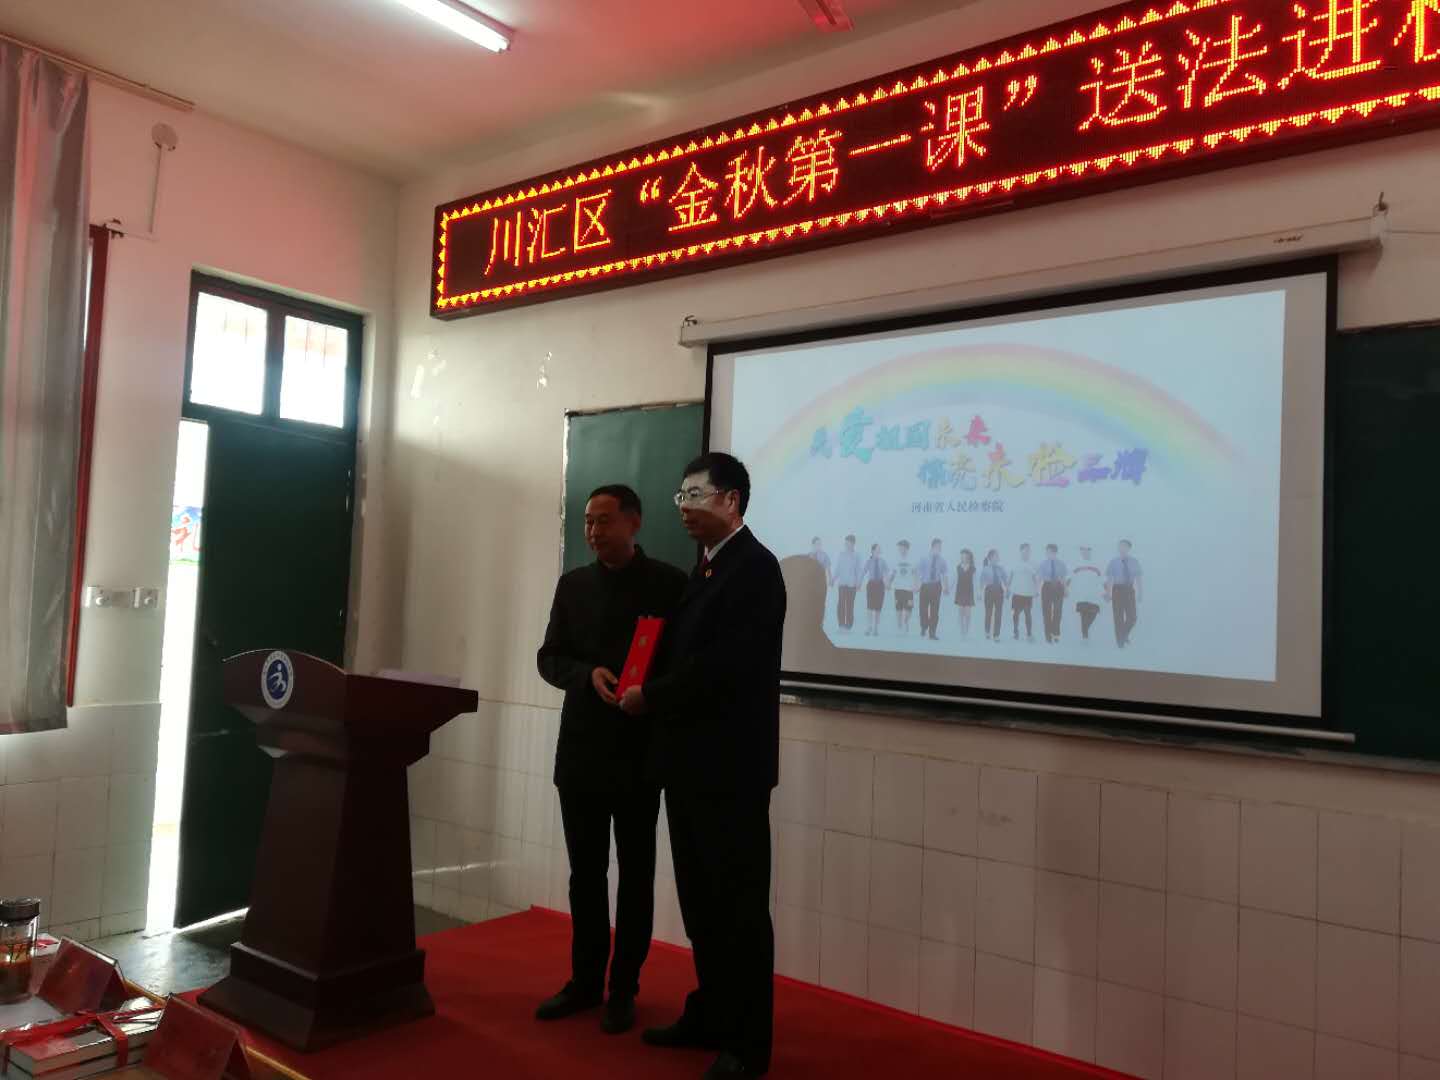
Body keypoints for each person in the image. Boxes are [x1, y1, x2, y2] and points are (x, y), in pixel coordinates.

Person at [619, 452, 785, 1080]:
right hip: (688, 767)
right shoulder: (708, 566)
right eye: (680, 496)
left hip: (731, 772)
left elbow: (722, 667)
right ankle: (711, 1014)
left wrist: (652, 695)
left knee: (738, 907)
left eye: (696, 495)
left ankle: (747, 1043)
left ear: (731, 501)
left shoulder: (756, 569)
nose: (684, 507)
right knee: (701, 905)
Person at [535, 485, 687, 1033]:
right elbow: (549, 658)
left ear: (634, 522)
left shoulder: (670, 584)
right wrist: (586, 675)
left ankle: (624, 988)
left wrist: (650, 693)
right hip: (581, 751)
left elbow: (684, 664)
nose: (594, 532)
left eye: (604, 521)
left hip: (640, 752)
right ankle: (584, 981)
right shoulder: (573, 585)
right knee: (586, 874)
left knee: (636, 874)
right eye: (587, 522)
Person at [1105, 539, 1143, 648]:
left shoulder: (1134, 562)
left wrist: (1140, 592)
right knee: (1118, 617)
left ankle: (1124, 635)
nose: (1122, 548)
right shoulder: (1113, 562)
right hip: (1117, 590)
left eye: (1124, 546)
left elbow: (1138, 578)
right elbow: (1110, 579)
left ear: (1129, 548)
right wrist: (1108, 593)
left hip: (1129, 590)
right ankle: (1120, 643)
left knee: (1132, 617)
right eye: (1120, 546)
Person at [1068, 544, 1105, 642]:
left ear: (1090, 551)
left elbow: (1102, 581)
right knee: (1083, 617)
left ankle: (1085, 633)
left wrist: (1107, 593)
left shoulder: (1097, 565)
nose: (1085, 552)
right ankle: (1085, 637)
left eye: (1087, 550)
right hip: (1081, 595)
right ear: (1081, 552)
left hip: (1094, 596)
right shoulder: (1076, 565)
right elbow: (1069, 579)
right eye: (1083, 550)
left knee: (1092, 615)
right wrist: (1065, 590)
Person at [917, 538, 949, 640]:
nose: (939, 549)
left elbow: (945, 574)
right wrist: (917, 585)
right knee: (923, 609)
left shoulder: (942, 560)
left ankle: (932, 632)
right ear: (932, 547)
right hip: (925, 586)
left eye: (940, 547)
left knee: (935, 611)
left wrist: (946, 587)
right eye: (938, 547)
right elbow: (919, 572)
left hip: (936, 586)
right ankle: (924, 626)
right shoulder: (924, 558)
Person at [1038, 543, 1068, 644]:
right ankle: (1048, 635)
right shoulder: (1043, 564)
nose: (1048, 554)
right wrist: (1036, 590)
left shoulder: (1061, 564)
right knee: (1046, 612)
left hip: (1058, 587)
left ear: (1055, 552)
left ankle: (1056, 633)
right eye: (1047, 552)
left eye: (1050, 552)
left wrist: (1066, 589)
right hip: (1046, 587)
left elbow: (1063, 578)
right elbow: (1039, 578)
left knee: (1057, 611)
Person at [1008, 542, 1038, 642]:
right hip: (1017, 593)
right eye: (1025, 550)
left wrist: (1036, 590)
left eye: (1028, 550)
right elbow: (1010, 577)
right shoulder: (1015, 563)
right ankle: (1015, 633)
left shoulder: (1033, 564)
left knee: (1028, 614)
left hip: (1028, 594)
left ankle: (1029, 634)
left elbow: (1035, 578)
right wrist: (1007, 589)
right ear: (1021, 551)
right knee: (1015, 614)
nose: (1027, 552)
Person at [832, 534, 861, 633]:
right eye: (846, 543)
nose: (846, 545)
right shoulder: (841, 554)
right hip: (842, 583)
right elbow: (838, 568)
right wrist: (833, 579)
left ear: (853, 543)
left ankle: (848, 626)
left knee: (850, 604)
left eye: (848, 543)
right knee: (841, 604)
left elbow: (858, 570)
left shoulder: (857, 556)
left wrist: (858, 583)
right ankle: (841, 625)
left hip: (852, 584)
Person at [889, 540, 918, 635]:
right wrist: (889, 583)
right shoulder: (895, 560)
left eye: (902, 547)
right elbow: (893, 573)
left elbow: (915, 574)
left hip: (909, 589)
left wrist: (916, 585)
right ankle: (899, 626)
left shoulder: (912, 560)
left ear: (906, 548)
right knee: (899, 608)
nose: (900, 549)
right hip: (898, 588)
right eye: (899, 548)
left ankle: (906, 621)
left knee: (909, 609)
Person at [861, 542, 889, 637]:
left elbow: (886, 573)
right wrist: (859, 583)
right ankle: (869, 627)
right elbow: (863, 572)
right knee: (869, 607)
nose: (879, 551)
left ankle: (876, 628)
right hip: (871, 585)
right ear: (873, 551)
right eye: (877, 549)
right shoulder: (868, 561)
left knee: (878, 608)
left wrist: (887, 583)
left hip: (880, 585)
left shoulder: (883, 561)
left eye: (879, 550)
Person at [978, 548, 1006, 642]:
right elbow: (981, 582)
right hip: (989, 591)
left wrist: (1007, 590)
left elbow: (1005, 580)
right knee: (988, 612)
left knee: (998, 613)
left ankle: (996, 634)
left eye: (998, 556)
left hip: (999, 591)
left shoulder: (1001, 568)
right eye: (995, 556)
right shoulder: (985, 569)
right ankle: (987, 631)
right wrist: (979, 593)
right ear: (990, 558)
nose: (997, 557)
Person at [953, 548, 977, 639]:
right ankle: (962, 631)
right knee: (961, 613)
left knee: (968, 614)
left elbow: (975, 581)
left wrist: (978, 593)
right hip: (960, 591)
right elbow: (954, 579)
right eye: (962, 556)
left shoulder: (973, 568)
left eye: (965, 556)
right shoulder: (958, 567)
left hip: (969, 592)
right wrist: (948, 588)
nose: (963, 558)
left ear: (968, 557)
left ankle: (966, 630)